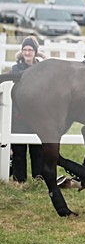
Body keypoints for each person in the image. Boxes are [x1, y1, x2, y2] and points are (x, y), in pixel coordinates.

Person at [8, 37, 44, 182]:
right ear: (22, 52)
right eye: (25, 50)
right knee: (19, 150)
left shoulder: (41, 68)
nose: (27, 52)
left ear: (35, 52)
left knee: (37, 150)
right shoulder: (15, 69)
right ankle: (19, 180)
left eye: (30, 50)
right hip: (19, 115)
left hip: (37, 116)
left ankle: (38, 178)